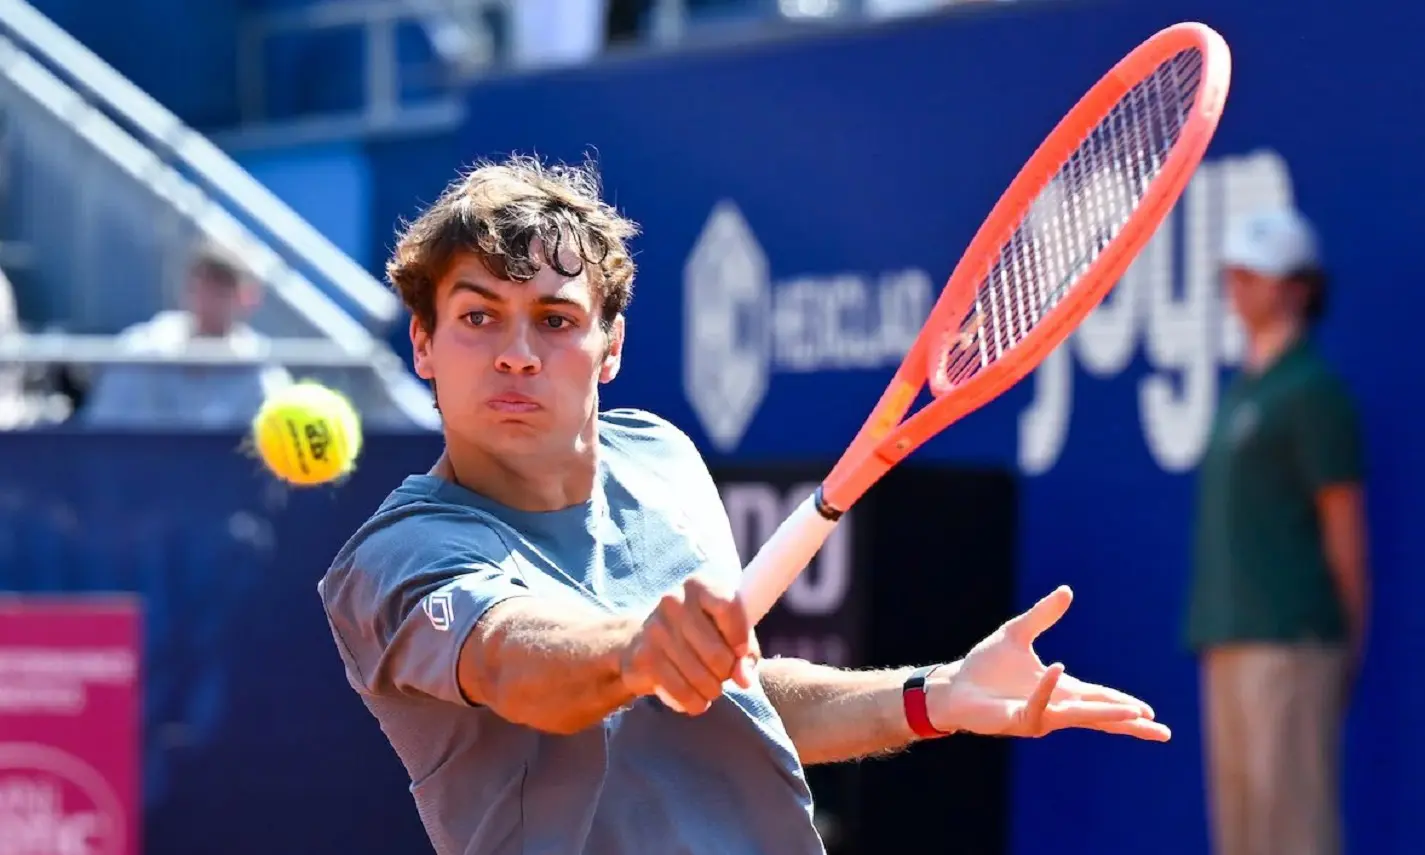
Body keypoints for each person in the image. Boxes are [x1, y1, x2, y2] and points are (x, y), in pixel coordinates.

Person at [318, 154, 1168, 855]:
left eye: (553, 319)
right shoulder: (394, 558)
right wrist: (635, 649)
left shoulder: (661, 458)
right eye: (478, 317)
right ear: (423, 343)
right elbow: (517, 663)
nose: (516, 353)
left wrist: (931, 694)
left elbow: (736, 705)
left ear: (610, 347)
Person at [1186, 207, 1369, 855]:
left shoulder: (1313, 392)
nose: (1236, 287)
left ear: (1296, 288)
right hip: (1229, 637)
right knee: (1241, 830)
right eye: (1232, 274)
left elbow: (1344, 527)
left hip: (1291, 641)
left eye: (1252, 275)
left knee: (1292, 830)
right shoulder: (1245, 391)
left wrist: (1346, 642)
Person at [82, 241, 291, 429]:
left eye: (224, 283)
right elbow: (104, 433)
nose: (211, 294)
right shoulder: (141, 350)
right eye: (205, 280)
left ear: (248, 296)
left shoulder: (262, 369)